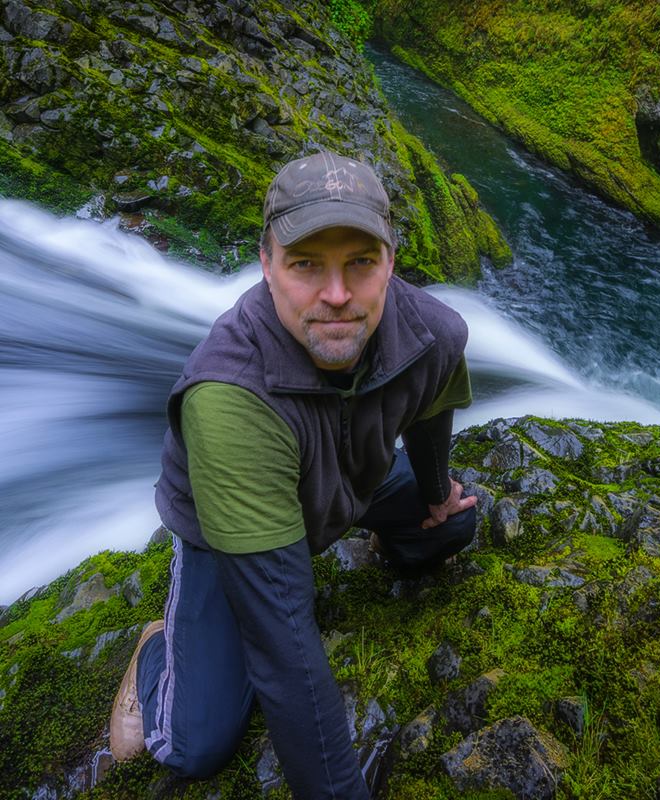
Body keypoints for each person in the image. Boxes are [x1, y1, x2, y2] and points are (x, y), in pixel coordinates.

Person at [109, 151, 477, 798]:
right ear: (267, 266)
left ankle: (384, 525)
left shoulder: (435, 334)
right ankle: (156, 649)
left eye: (360, 262)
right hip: (233, 521)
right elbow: (285, 645)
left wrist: (434, 490)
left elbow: (430, 411)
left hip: (347, 478)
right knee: (194, 746)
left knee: (456, 522)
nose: (337, 295)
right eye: (307, 264)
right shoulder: (229, 397)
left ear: (391, 261)